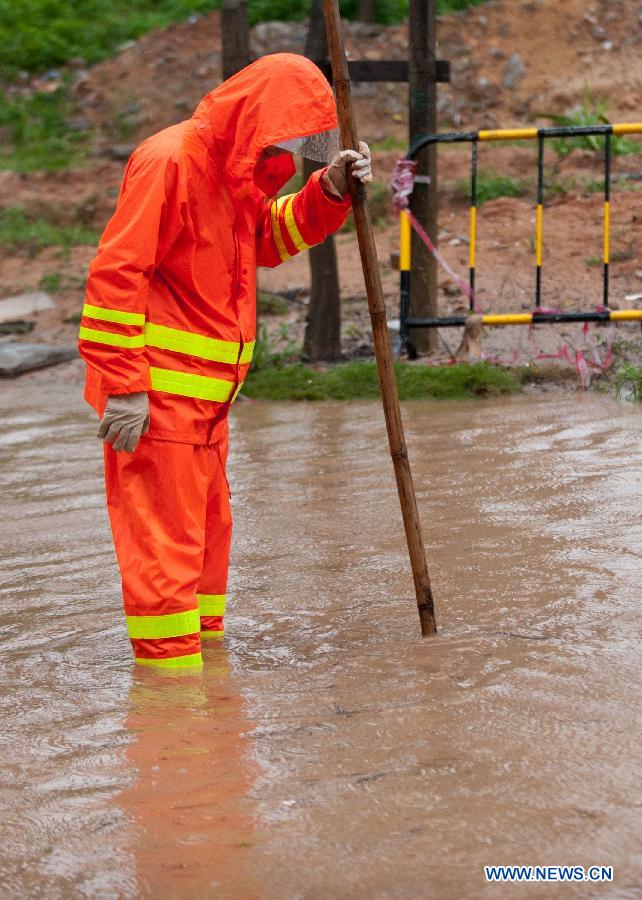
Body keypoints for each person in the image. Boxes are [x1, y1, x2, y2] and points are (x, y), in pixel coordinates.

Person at [78, 53, 373, 669]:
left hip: (207, 411)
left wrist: (330, 191)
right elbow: (116, 272)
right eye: (289, 133)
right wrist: (126, 387)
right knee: (165, 562)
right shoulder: (171, 160)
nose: (292, 148)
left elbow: (265, 240)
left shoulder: (233, 171)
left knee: (205, 563)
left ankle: (208, 691)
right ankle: (174, 710)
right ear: (257, 118)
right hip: (159, 407)